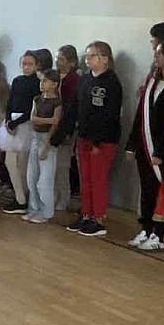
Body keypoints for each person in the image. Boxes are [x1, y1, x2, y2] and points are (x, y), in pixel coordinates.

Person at [127, 41, 164, 251]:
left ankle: (159, 234)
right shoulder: (152, 82)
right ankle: (146, 228)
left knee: (162, 190)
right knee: (147, 190)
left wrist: (160, 151)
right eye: (156, 53)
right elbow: (140, 116)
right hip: (144, 146)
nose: (156, 56)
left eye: (160, 53)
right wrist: (132, 144)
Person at [69, 41, 123, 238]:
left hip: (103, 140)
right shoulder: (84, 79)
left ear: (105, 59)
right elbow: (75, 107)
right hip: (84, 136)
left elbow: (111, 115)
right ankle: (86, 214)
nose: (88, 59)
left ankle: (98, 218)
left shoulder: (112, 83)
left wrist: (99, 141)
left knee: (97, 178)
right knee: (84, 177)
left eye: (92, 56)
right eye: (87, 56)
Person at [0, 51, 41, 216]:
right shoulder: (17, 80)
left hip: (26, 124)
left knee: (23, 165)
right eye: (24, 63)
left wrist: (16, 122)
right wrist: (9, 120)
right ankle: (19, 196)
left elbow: (33, 108)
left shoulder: (38, 83)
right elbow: (10, 102)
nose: (26, 67)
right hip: (12, 123)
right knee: (10, 162)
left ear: (36, 65)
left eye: (30, 64)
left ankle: (23, 198)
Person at [25, 69, 63, 225]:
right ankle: (33, 208)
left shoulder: (57, 102)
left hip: (47, 138)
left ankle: (46, 211)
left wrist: (47, 145)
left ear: (54, 84)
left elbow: (55, 122)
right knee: (31, 176)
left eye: (45, 81)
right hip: (35, 137)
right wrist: (47, 120)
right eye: (41, 81)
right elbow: (33, 118)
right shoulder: (37, 99)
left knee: (45, 179)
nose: (42, 84)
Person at [52, 44, 80, 212]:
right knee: (53, 166)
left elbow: (71, 107)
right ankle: (54, 196)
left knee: (62, 165)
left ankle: (63, 198)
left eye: (61, 59)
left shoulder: (74, 80)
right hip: (53, 124)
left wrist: (67, 130)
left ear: (72, 62)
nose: (58, 62)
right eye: (57, 58)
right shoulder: (55, 77)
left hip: (66, 126)